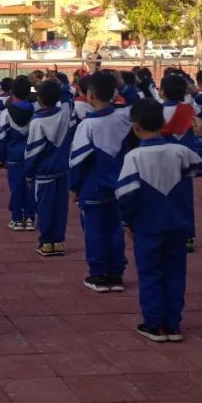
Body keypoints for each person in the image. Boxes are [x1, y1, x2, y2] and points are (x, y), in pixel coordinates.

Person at [117, 100, 202, 342]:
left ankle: (154, 323)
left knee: (150, 274)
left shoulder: (134, 157)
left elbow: (126, 195)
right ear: (163, 123)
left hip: (148, 226)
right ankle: (173, 324)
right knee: (175, 273)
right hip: (178, 225)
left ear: (135, 128)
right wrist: (201, 138)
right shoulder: (179, 152)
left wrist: (127, 221)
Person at [69, 72, 132, 288]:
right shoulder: (124, 117)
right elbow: (142, 103)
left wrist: (75, 187)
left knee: (95, 231)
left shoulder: (86, 126)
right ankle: (116, 273)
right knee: (115, 229)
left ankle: (99, 274)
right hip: (120, 185)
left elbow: (77, 161)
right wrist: (125, 87)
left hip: (93, 187)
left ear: (90, 95)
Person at [24, 80, 72, 257]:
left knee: (44, 208)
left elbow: (32, 151)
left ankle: (46, 242)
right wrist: (61, 83)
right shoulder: (65, 113)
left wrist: (28, 174)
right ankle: (58, 241)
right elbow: (68, 96)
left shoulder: (38, 121)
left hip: (44, 172)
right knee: (61, 208)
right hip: (62, 169)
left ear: (39, 98)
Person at [0, 76, 36, 230]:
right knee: (30, 186)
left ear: (12, 92)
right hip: (31, 154)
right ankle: (30, 218)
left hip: (13, 156)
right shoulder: (35, 110)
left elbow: (1, 138)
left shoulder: (6, 113)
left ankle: (17, 219)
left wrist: (1, 157)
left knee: (16, 187)